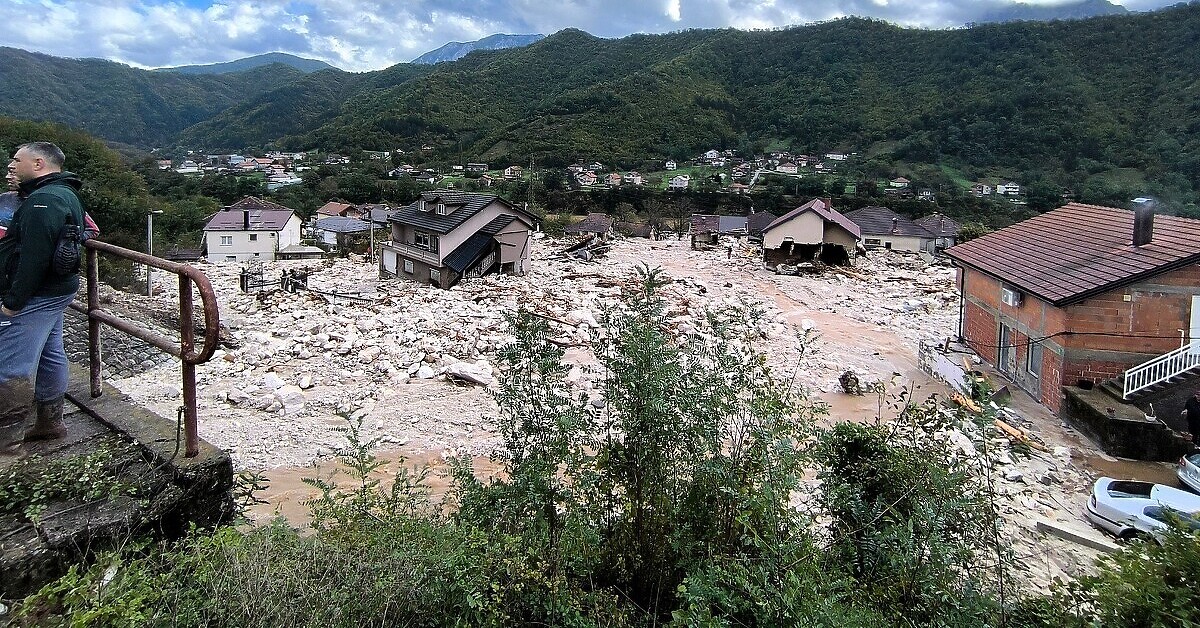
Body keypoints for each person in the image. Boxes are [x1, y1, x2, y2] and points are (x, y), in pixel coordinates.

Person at [0, 142, 86, 460]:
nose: (11, 167)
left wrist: (13, 301)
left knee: (9, 366)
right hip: (58, 289)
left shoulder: (43, 200)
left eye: (16, 161)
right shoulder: (65, 192)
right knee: (51, 353)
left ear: (38, 164)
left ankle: (7, 447)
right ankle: (50, 422)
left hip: (38, 294)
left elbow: (34, 258)